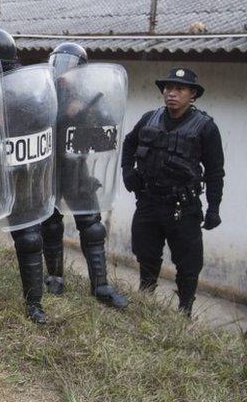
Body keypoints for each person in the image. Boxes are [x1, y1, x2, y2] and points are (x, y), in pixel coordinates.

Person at [121, 67, 223, 316]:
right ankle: (145, 300)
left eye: (179, 89)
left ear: (192, 95)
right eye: (168, 88)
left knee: (188, 265)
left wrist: (213, 208)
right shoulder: (149, 118)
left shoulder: (206, 128)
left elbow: (214, 172)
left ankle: (184, 312)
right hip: (149, 202)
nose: (171, 93)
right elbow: (129, 143)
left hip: (183, 207)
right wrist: (127, 171)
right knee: (146, 255)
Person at [0, 28, 49, 324]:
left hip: (20, 169)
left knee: (28, 237)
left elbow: (40, 123)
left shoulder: (28, 86)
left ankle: (34, 302)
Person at [40, 43, 128, 309]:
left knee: (92, 226)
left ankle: (100, 285)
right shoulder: (44, 91)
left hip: (78, 170)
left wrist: (85, 111)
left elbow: (108, 124)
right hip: (50, 169)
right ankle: (54, 276)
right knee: (50, 224)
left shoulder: (89, 94)